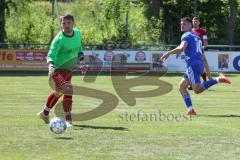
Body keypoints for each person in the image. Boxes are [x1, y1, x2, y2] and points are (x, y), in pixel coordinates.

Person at [160, 17, 231, 115]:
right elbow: (204, 59)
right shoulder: (197, 38)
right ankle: (190, 109)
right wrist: (209, 75)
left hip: (192, 66)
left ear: (190, 25)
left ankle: (218, 79)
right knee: (182, 87)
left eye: (184, 24)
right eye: (181, 24)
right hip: (198, 65)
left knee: (197, 90)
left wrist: (169, 52)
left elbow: (181, 48)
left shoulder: (186, 35)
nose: (182, 25)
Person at [37, 14, 87, 127]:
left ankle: (45, 113)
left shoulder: (78, 33)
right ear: (61, 24)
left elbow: (79, 50)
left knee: (59, 93)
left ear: (73, 23)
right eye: (63, 23)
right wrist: (50, 67)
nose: (66, 25)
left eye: (68, 23)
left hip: (68, 69)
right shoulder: (59, 39)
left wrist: (82, 63)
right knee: (68, 89)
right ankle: (68, 120)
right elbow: (51, 55)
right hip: (57, 70)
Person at [192, 16, 211, 81]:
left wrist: (202, 48)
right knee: (194, 67)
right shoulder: (190, 31)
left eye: (197, 21)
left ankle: (210, 78)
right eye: (194, 21)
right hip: (191, 52)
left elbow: (205, 44)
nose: (195, 22)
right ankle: (194, 82)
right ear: (192, 22)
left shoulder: (203, 31)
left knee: (204, 63)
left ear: (199, 22)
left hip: (200, 51)